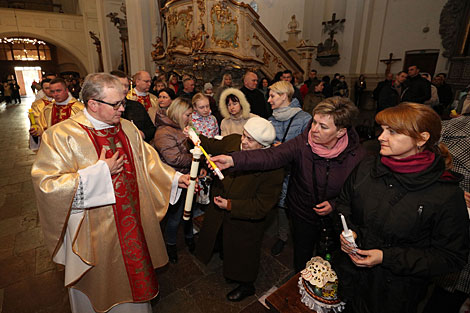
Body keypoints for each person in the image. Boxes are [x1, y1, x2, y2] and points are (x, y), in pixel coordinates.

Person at [31, 73, 191, 313]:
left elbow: (147, 161)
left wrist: (177, 179)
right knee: (98, 291)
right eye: (116, 104)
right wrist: (100, 173)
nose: (122, 109)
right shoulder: (60, 135)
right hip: (94, 233)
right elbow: (47, 185)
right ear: (93, 104)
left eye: (123, 102)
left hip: (131, 226)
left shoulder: (126, 127)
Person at [335, 102, 469, 313]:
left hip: (394, 294)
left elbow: (450, 257)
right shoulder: (367, 166)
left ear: (422, 138)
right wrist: (348, 230)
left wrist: (385, 257)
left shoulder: (445, 194)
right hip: (350, 277)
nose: (380, 136)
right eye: (383, 129)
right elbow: (343, 203)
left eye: (393, 131)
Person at [211, 97, 366, 272]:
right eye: (314, 122)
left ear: (340, 132)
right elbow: (271, 156)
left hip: (336, 219)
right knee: (302, 255)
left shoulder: (357, 155)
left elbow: (358, 191)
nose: (314, 129)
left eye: (323, 126)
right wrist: (233, 159)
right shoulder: (303, 142)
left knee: (331, 259)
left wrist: (334, 203)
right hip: (302, 212)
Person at [195, 117, 284, 302]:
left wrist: (230, 205)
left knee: (243, 253)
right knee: (219, 236)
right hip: (219, 206)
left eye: (250, 140)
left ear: (263, 146)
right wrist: (192, 134)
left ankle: (246, 285)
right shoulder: (234, 140)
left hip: (245, 218)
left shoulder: (273, 168)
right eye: (244, 135)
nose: (243, 141)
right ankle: (220, 252)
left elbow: (262, 205)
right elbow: (211, 144)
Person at [266, 81, 312, 256]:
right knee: (281, 206)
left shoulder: (305, 119)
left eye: (272, 96)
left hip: (297, 173)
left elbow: (309, 148)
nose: (269, 100)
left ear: (284, 96)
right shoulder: (271, 119)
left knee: (297, 208)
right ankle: (282, 237)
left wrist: (284, 148)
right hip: (278, 171)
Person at [152, 97, 196, 264]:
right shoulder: (164, 132)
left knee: (189, 212)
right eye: (188, 115)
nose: (190, 118)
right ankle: (170, 246)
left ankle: (189, 237)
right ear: (178, 113)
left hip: (188, 176)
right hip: (174, 180)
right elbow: (174, 159)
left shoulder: (185, 127)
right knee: (175, 216)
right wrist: (195, 158)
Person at [111, 70, 156, 143]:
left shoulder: (136, 105)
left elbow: (151, 129)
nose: (124, 89)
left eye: (126, 86)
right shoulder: (104, 108)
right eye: (120, 85)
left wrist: (143, 134)